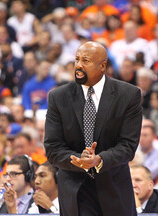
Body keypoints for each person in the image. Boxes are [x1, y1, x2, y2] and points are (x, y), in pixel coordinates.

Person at [44, 41, 143, 216]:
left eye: (86, 61)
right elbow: (53, 148)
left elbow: (128, 146)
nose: (79, 65)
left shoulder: (128, 94)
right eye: (77, 59)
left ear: (102, 66)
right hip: (75, 190)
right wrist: (78, 160)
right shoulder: (58, 97)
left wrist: (99, 160)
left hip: (113, 188)